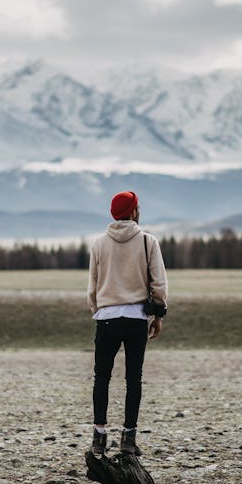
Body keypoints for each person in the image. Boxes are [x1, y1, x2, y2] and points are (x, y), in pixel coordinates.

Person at [87, 190, 168, 456]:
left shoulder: (99, 243)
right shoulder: (148, 241)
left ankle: (99, 436)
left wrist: (98, 309)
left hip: (107, 318)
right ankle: (128, 438)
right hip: (136, 318)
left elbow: (93, 285)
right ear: (133, 211)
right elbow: (158, 282)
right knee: (134, 378)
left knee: (102, 377)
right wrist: (158, 314)